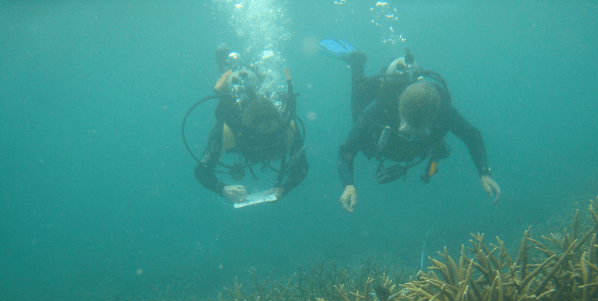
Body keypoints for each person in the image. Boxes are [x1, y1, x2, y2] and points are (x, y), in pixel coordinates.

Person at [318, 39, 500, 212]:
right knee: (358, 111)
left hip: (404, 146)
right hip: (383, 136)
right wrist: (348, 184)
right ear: (400, 113)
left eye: (421, 131)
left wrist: (484, 172)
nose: (413, 136)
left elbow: (472, 135)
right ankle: (356, 63)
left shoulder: (443, 109)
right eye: (409, 130)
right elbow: (345, 150)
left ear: (434, 117)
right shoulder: (380, 109)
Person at [193, 45, 308, 206]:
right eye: (262, 130)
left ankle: (231, 66)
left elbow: (302, 167)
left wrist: (283, 189)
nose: (267, 134)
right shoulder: (229, 130)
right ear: (248, 127)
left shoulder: (287, 127)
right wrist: (223, 189)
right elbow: (202, 170)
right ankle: (226, 67)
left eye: (271, 128)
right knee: (234, 82)